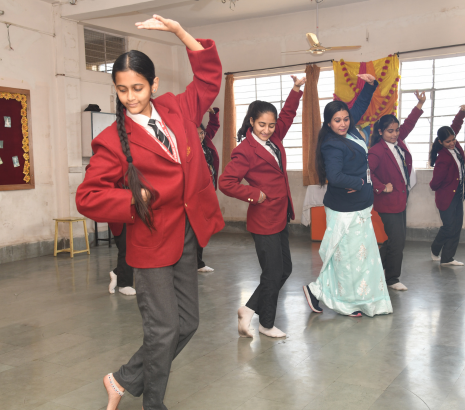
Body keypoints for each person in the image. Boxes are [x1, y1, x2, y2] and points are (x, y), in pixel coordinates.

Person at [75, 15, 223, 410]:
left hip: (186, 233)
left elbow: (209, 78)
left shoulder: (176, 108)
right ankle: (153, 403)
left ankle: (122, 379)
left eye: (138, 88)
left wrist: (179, 32)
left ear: (153, 85)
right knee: (164, 330)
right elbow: (87, 197)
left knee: (187, 323)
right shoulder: (111, 140)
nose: (130, 97)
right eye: (122, 89)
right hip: (151, 242)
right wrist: (132, 199)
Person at [219, 75, 306, 339]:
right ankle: (266, 324)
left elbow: (287, 115)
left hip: (280, 215)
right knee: (273, 272)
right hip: (264, 219)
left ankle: (248, 309)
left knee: (284, 270)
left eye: (270, 125)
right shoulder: (244, 150)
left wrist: (296, 89)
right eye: (261, 125)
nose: (266, 130)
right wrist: (254, 194)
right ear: (251, 122)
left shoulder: (275, 137)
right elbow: (225, 182)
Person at [302, 74, 393, 318]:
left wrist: (370, 86)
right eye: (337, 120)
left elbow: (359, 106)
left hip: (359, 206)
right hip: (345, 209)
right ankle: (342, 300)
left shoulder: (350, 131)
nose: (343, 123)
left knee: (356, 259)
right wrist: (360, 182)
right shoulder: (332, 144)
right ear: (328, 123)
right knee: (347, 259)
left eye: (345, 119)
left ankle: (325, 293)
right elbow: (335, 176)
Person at [367, 91, 427, 291]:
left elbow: (409, 124)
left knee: (396, 240)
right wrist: (381, 186)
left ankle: (372, 268)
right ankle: (392, 278)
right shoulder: (376, 151)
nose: (394, 134)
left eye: (396, 130)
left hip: (400, 199)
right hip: (387, 202)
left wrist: (419, 105)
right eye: (390, 131)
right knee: (398, 241)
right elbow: (366, 172)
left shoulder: (398, 141)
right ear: (381, 132)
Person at [429, 105, 465, 266]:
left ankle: (447, 258)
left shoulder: (455, 146)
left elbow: (455, 126)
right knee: (449, 227)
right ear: (441, 142)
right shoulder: (442, 158)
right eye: (448, 141)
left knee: (457, 226)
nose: (452, 143)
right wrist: (448, 183)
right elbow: (434, 184)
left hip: (458, 193)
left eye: (453, 139)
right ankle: (435, 248)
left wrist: (462, 112)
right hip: (447, 196)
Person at [196, 107, 220, 273]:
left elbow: (214, 125)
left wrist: (212, 112)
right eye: (197, 133)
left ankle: (198, 263)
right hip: (195, 194)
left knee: (203, 227)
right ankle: (195, 262)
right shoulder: (188, 147)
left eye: (202, 133)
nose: (200, 136)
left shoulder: (206, 143)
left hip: (208, 192)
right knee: (196, 228)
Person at [108, 223, 136, 295]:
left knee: (137, 248)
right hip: (122, 220)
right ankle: (124, 284)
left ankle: (117, 272)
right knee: (126, 248)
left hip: (136, 219)